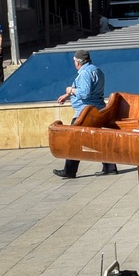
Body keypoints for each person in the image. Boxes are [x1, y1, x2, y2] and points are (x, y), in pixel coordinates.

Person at [53, 50, 116, 179]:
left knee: (74, 139)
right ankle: (110, 167)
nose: (74, 63)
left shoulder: (85, 73)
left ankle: (69, 170)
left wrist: (70, 90)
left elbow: (85, 93)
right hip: (97, 109)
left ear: (78, 62)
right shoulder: (96, 70)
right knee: (96, 140)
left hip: (85, 112)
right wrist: (68, 95)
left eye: (75, 61)